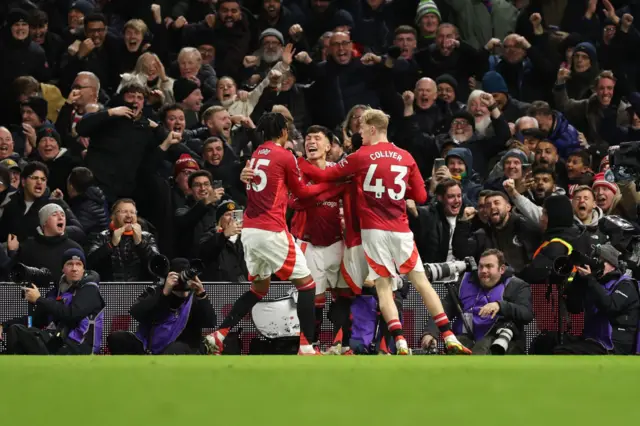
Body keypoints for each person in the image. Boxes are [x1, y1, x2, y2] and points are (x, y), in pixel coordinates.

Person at [296, 108, 471, 355]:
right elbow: (421, 195)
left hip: (373, 232)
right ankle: (449, 335)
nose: (359, 135)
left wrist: (300, 162)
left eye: (361, 130)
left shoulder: (360, 156)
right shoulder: (405, 156)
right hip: (401, 229)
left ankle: (399, 341)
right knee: (422, 283)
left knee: (383, 286)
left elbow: (325, 173)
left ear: (372, 129)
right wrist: (399, 195)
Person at [204, 112, 340, 355]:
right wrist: (330, 187)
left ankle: (219, 333)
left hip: (250, 230)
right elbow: (302, 192)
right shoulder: (284, 155)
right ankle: (307, 346)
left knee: (259, 288)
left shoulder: (257, 154)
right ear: (284, 131)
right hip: (271, 228)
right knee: (307, 285)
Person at [421, 249, 533, 354]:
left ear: (502, 269)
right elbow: (443, 309)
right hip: (466, 338)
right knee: (457, 345)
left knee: (483, 346)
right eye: (481, 266)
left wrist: (500, 305)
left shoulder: (517, 286)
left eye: (489, 266)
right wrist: (430, 333)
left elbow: (526, 313)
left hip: (499, 342)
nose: (484, 271)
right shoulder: (463, 283)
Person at [1, 248, 105, 355]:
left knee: (19, 334)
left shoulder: (90, 289)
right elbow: (37, 320)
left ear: (84, 269)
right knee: (16, 330)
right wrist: (3, 326)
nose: (74, 268)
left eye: (78, 264)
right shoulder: (57, 291)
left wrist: (39, 299)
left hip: (80, 347)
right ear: (63, 269)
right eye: (70, 264)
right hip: (57, 342)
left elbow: (72, 314)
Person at [107, 258, 216, 355]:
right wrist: (164, 293)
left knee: (176, 349)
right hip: (149, 345)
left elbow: (210, 322)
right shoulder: (156, 291)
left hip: (183, 346)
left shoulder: (196, 297)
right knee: (117, 338)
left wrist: (202, 294)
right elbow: (137, 313)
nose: (182, 280)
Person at [555, 244, 640, 355]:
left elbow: (611, 307)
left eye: (601, 260)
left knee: (564, 352)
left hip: (615, 343)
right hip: (594, 339)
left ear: (612, 265)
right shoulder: (594, 283)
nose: (597, 264)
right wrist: (579, 279)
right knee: (553, 344)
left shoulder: (625, 284)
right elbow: (574, 308)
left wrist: (590, 279)